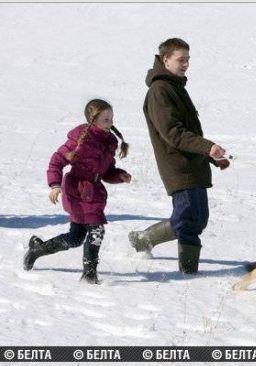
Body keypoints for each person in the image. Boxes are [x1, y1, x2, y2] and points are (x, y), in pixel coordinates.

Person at [128, 38, 229, 274]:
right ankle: (188, 274)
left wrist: (211, 156)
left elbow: (188, 132)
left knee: (197, 219)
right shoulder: (159, 91)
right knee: (188, 220)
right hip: (177, 166)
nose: (186, 64)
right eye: (181, 59)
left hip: (192, 164)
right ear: (166, 59)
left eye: (188, 59)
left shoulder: (175, 86)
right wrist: (207, 147)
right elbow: (173, 133)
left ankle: (144, 239)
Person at [23, 99, 132, 284]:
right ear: (93, 120)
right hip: (77, 191)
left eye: (112, 118)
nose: (111, 123)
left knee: (75, 238)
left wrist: (119, 175)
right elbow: (57, 161)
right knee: (96, 230)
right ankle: (89, 275)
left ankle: (37, 250)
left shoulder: (110, 141)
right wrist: (55, 185)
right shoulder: (81, 138)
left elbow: (107, 171)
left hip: (94, 193)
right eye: (106, 119)